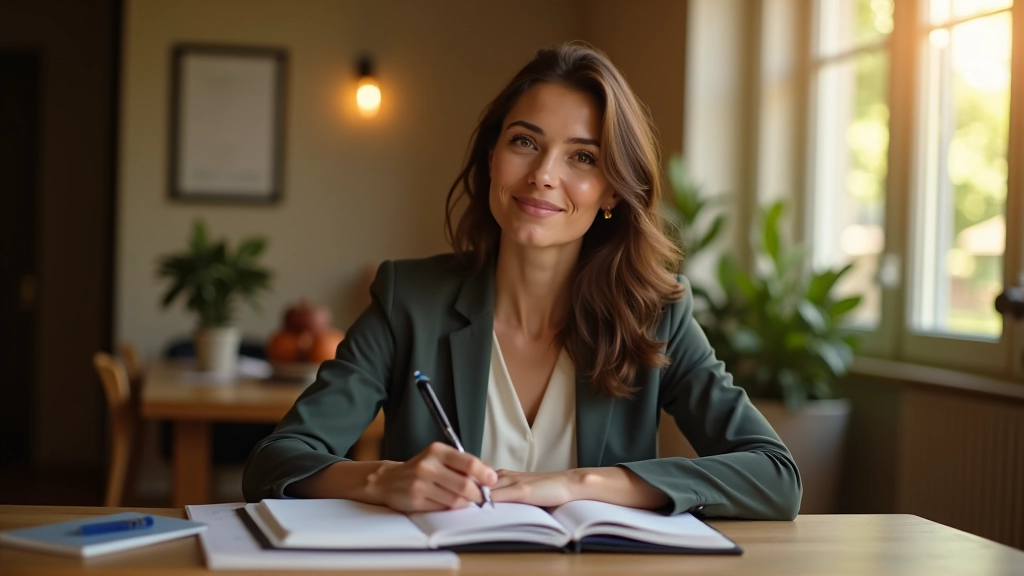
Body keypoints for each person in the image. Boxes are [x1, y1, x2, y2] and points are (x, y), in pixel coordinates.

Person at [242, 42, 801, 520]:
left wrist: (582, 484)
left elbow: (776, 476)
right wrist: (381, 481)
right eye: (525, 142)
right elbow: (277, 461)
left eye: (582, 156)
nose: (543, 175)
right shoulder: (408, 299)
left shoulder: (657, 313)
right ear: (492, 158)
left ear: (612, 191)